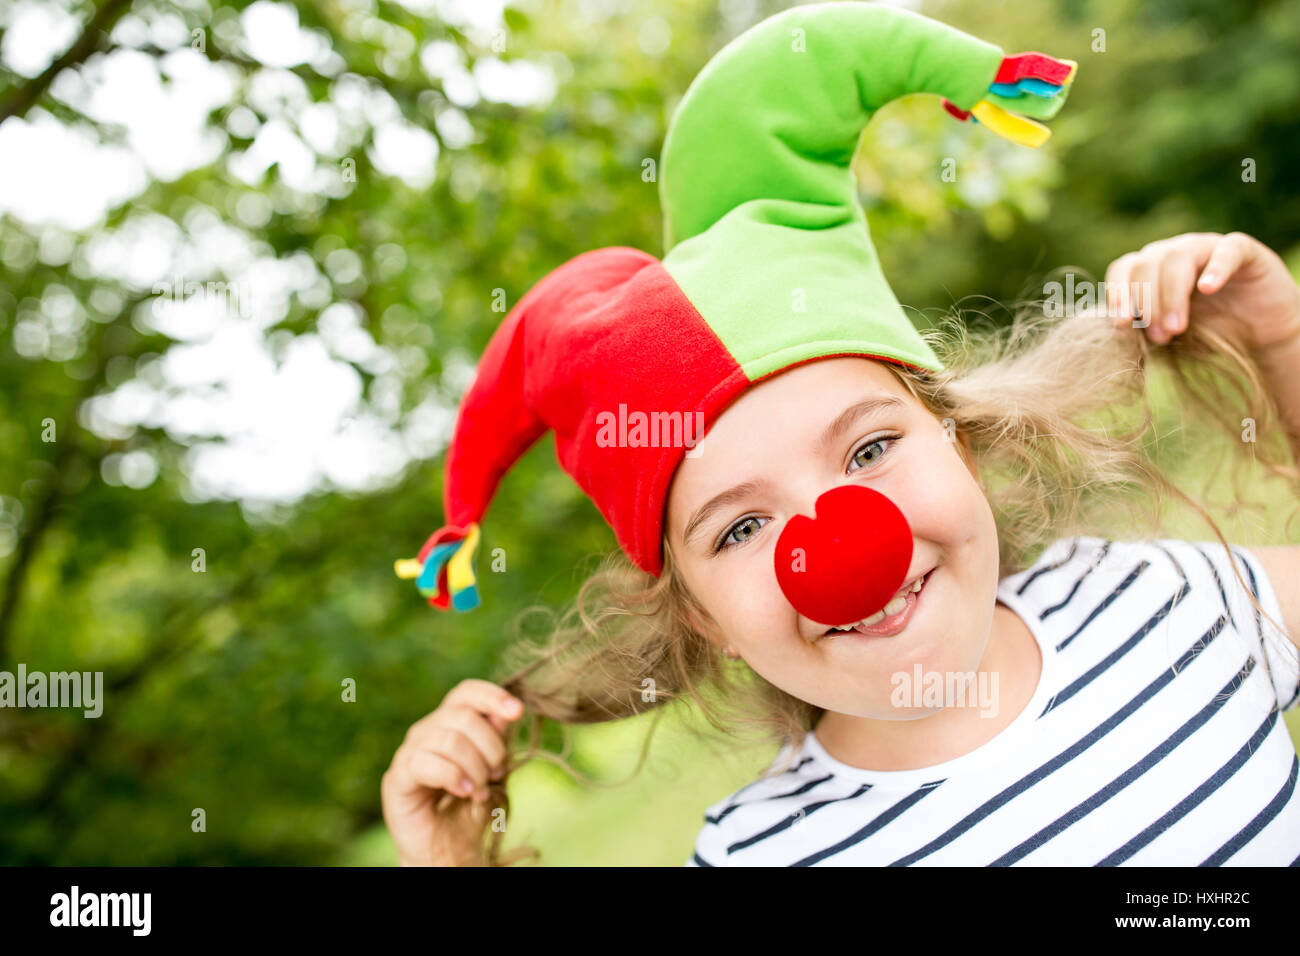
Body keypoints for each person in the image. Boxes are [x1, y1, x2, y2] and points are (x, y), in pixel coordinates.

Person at [379, 3, 1300, 866]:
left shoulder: (1165, 595)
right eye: (740, 529)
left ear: (960, 444)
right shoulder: (758, 853)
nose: (841, 543)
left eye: (869, 451)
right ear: (704, 617)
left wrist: (1283, 346)